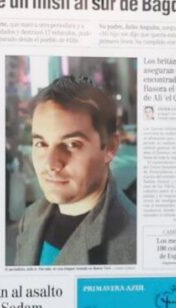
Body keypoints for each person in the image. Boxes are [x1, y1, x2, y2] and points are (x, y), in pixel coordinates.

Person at [14, 75, 136, 267]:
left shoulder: (134, 243)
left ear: (110, 147)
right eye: (41, 143)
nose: (51, 164)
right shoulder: (30, 218)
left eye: (72, 144)